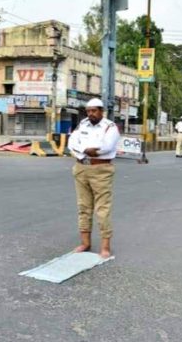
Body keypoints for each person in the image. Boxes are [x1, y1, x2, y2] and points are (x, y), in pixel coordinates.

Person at [67, 98, 121, 259]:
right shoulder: (82, 124)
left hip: (101, 169)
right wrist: (85, 150)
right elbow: (72, 142)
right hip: (81, 167)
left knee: (102, 209)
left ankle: (105, 246)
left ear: (101, 111)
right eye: (88, 111)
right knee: (83, 206)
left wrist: (87, 150)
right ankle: (85, 242)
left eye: (94, 111)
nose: (91, 114)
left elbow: (106, 148)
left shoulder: (110, 127)